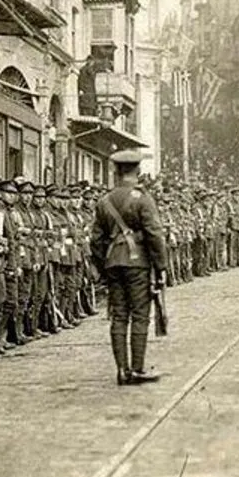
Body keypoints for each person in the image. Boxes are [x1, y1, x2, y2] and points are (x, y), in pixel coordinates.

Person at [90, 149, 167, 385]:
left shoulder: (104, 201)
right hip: (138, 263)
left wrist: (104, 267)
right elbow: (155, 235)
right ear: (138, 171)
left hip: (114, 263)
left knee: (119, 316)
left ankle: (122, 370)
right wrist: (161, 265)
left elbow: (96, 240)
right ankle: (137, 368)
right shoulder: (142, 199)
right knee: (140, 314)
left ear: (116, 171)